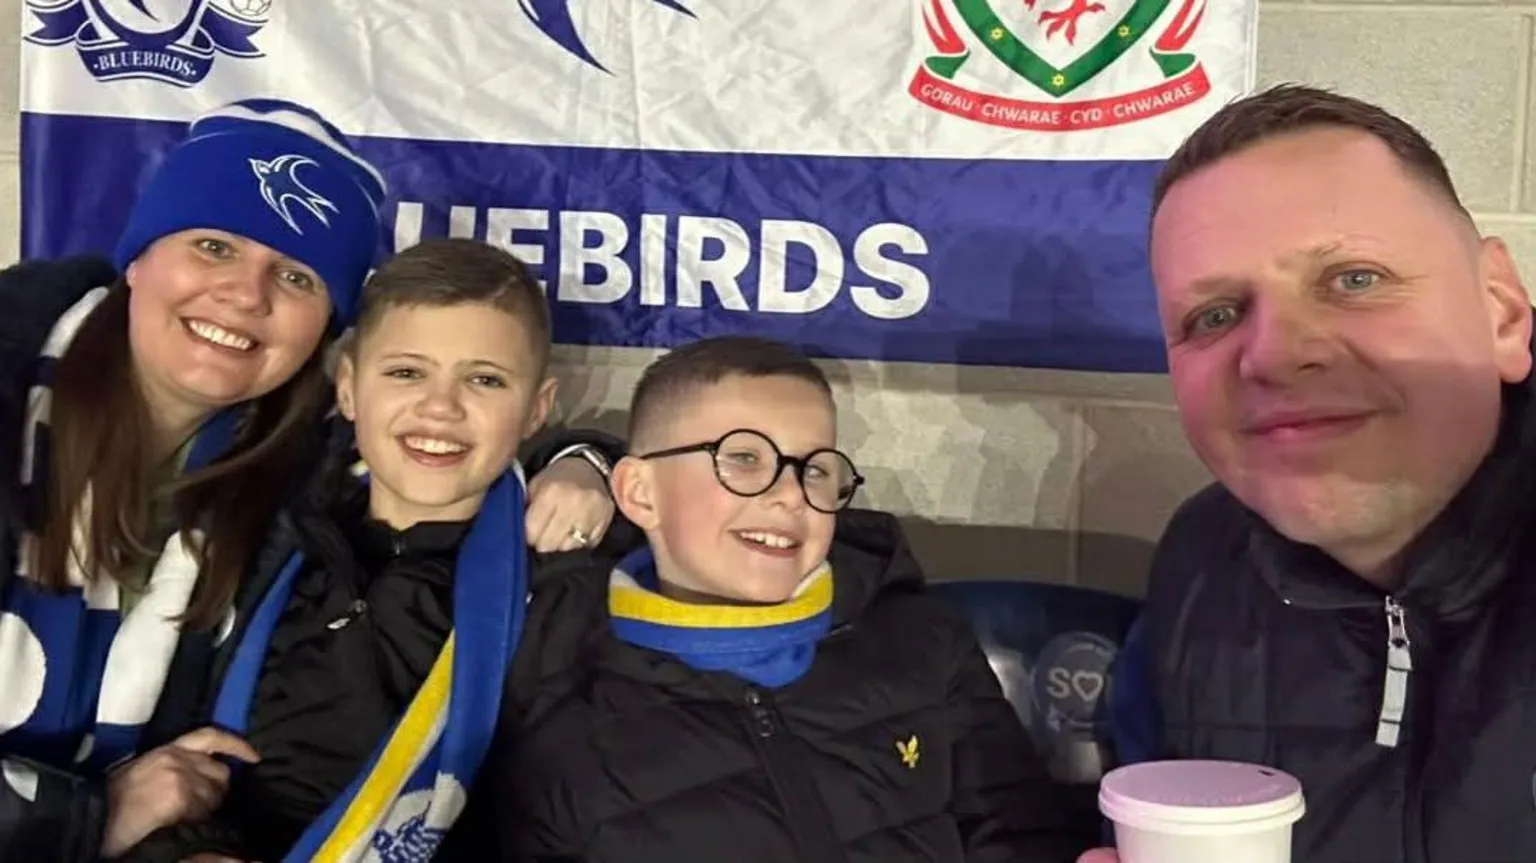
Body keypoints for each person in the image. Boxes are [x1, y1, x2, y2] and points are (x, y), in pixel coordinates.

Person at [0, 102, 616, 861]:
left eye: (294, 274)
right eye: (213, 244)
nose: (246, 294)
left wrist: (585, 463)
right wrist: (86, 818)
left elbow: (458, 450)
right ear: (139, 257)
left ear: (327, 331)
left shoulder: (300, 464)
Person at [1077, 84, 1536, 863]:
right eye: (1213, 316)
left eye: (1353, 279)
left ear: (1501, 311)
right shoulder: (1199, 564)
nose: (1275, 354)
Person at [475, 336, 1097, 863]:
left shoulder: (920, 641)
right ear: (639, 494)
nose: (791, 496)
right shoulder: (560, 705)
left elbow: (1021, 834)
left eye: (817, 468)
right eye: (743, 459)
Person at [115, 237, 631, 862]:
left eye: (485, 380)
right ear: (350, 389)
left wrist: (592, 461)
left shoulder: (557, 582)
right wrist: (186, 852)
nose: (440, 407)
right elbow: (164, 748)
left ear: (535, 411)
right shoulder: (260, 528)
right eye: (406, 372)